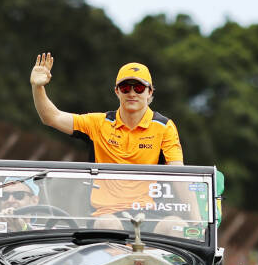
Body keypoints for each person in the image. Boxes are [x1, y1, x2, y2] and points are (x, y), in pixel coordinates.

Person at [30, 53, 193, 231]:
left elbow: (179, 176)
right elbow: (52, 117)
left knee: (177, 226)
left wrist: (198, 222)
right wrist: (38, 87)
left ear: (150, 92)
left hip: (151, 213)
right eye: (125, 88)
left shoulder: (164, 127)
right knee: (108, 224)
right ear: (117, 91)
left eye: (139, 88)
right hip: (105, 214)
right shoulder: (99, 123)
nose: (132, 93)